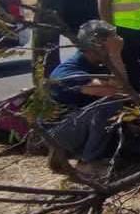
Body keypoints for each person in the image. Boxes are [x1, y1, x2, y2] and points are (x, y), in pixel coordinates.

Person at [46, 20, 128, 175]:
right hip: (57, 132)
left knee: (121, 106)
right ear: (96, 45)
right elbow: (112, 91)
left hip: (71, 124)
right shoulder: (70, 72)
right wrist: (115, 54)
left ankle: (64, 156)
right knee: (111, 104)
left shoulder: (95, 65)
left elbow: (124, 89)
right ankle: (87, 163)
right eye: (109, 44)